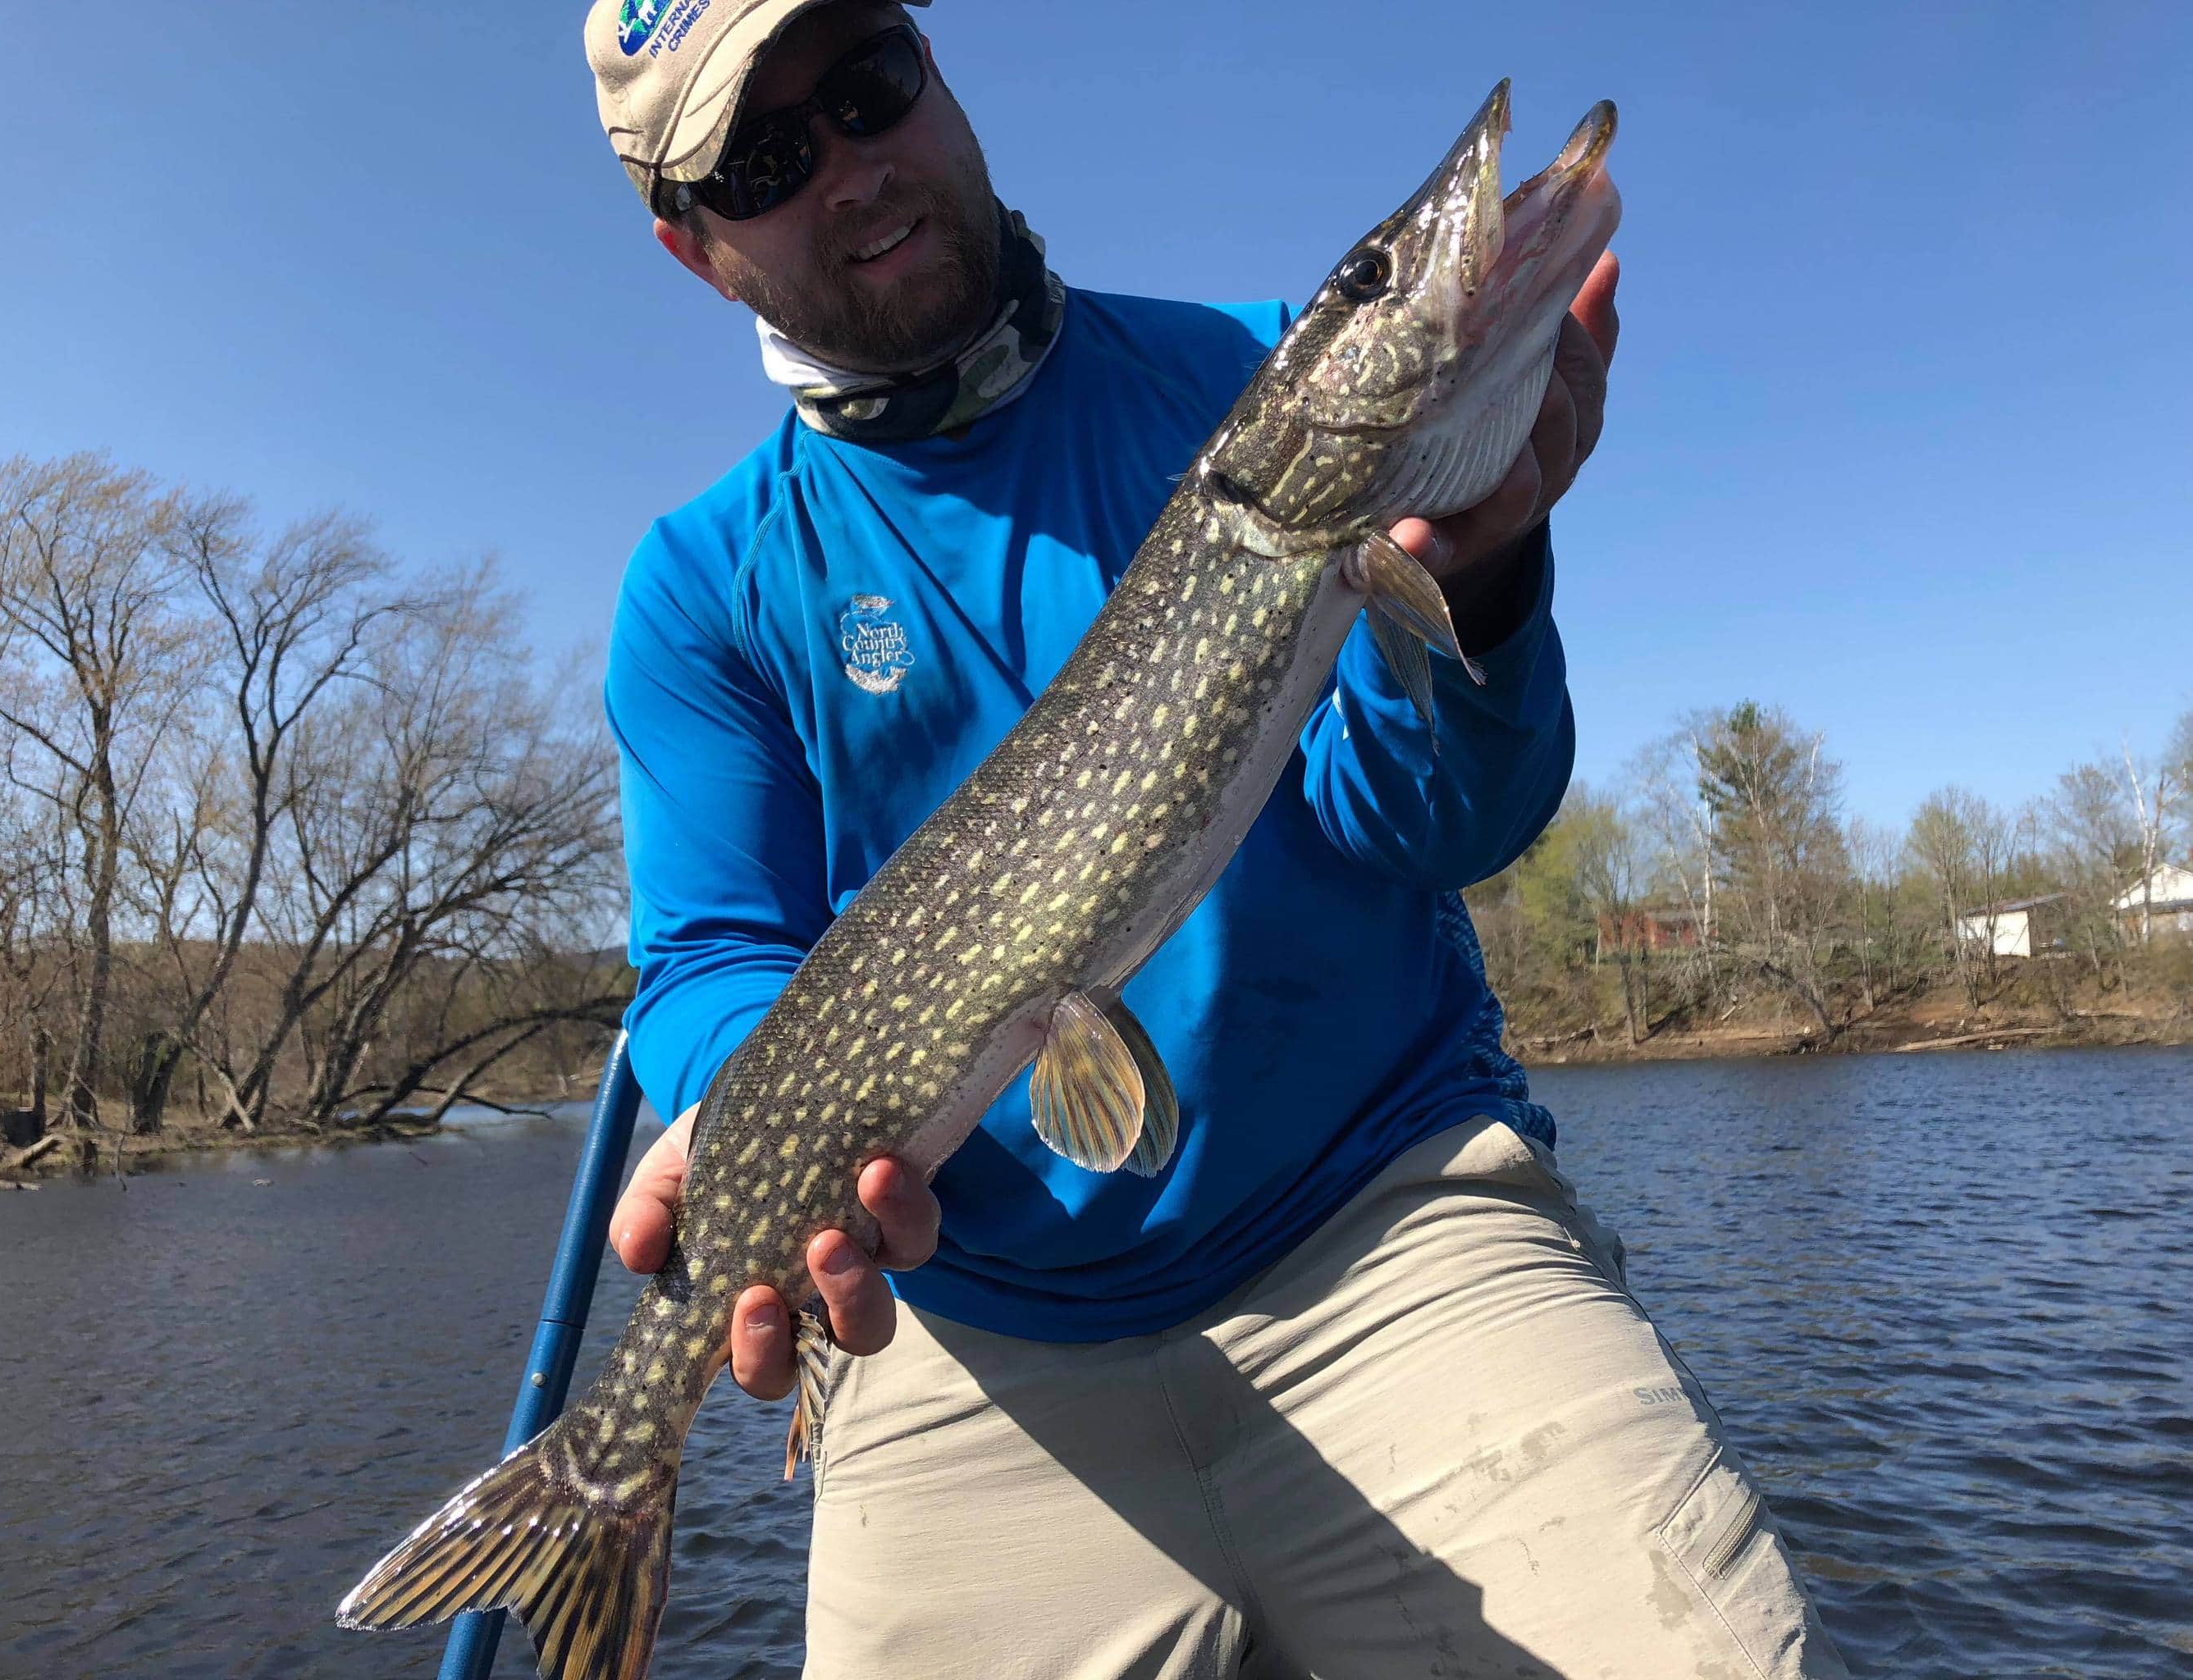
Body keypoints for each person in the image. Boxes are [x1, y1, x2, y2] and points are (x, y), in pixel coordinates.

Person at [583, 2, 1847, 1674]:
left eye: (871, 87)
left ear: (937, 74)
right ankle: (593, 1494)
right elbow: (704, 956)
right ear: (696, 247)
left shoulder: (1238, 376)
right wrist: (748, 1100)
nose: (850, 165)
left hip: (1387, 1226)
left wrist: (1471, 575)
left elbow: (1448, 815)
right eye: (763, 157)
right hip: (974, 1331)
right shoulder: (702, 584)